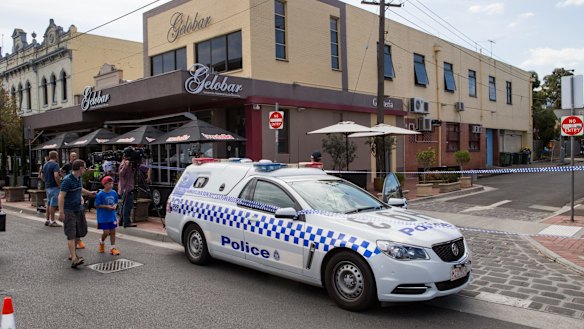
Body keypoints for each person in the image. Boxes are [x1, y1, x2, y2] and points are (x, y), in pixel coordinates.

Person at [58, 159, 96, 268]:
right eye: (84, 167)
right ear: (80, 168)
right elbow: (61, 196)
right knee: (71, 233)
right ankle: (74, 258)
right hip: (69, 210)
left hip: (78, 208)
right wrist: (61, 212)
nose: (85, 169)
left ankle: (72, 253)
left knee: (81, 231)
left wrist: (89, 193)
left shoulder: (79, 178)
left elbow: (80, 189)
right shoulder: (67, 180)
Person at [95, 176, 120, 256]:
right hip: (103, 217)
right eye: (109, 183)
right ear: (104, 184)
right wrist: (106, 207)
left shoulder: (114, 192)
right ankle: (101, 242)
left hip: (112, 216)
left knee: (113, 232)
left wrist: (115, 206)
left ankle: (113, 247)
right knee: (106, 232)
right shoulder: (100, 194)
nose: (111, 185)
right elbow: (97, 205)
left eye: (112, 183)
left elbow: (116, 201)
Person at [40, 151, 62, 227]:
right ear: (56, 156)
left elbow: (41, 175)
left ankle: (47, 219)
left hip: (48, 186)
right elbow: (56, 175)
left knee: (48, 203)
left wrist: (46, 181)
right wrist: (59, 185)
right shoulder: (55, 165)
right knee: (53, 204)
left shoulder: (45, 165)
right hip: (54, 186)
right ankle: (53, 220)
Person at [118, 152, 138, 228]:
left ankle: (121, 221)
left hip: (126, 187)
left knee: (124, 205)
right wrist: (125, 167)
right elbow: (121, 174)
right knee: (128, 206)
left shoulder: (130, 163)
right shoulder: (124, 164)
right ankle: (126, 222)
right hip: (126, 188)